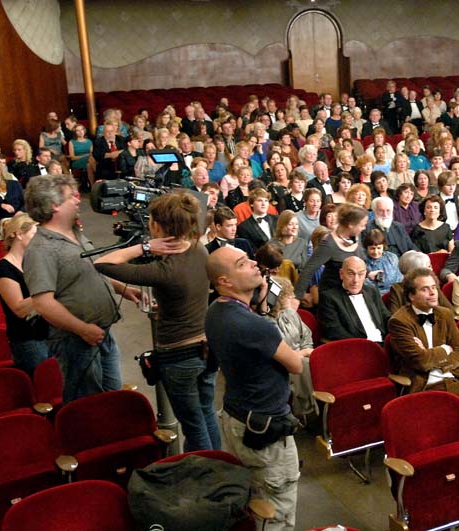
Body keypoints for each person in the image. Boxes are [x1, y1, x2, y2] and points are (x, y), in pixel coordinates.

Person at [94, 191, 218, 451]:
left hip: (178, 354)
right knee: (206, 414)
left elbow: (102, 263)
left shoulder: (164, 270)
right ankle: (219, 464)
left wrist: (145, 247)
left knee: (193, 425)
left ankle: (209, 474)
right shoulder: (200, 250)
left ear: (157, 226)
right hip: (208, 349)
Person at [205, 245, 305, 531]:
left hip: (237, 417)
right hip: (266, 430)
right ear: (225, 281)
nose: (253, 264)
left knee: (255, 497)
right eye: (242, 263)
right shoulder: (254, 326)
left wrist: (258, 308)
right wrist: (269, 315)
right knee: (277, 511)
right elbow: (295, 364)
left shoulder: (215, 310)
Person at [23, 175, 139, 403]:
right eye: (71, 197)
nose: (78, 201)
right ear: (54, 205)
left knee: (111, 397)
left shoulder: (75, 234)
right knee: (89, 405)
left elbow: (89, 270)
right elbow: (43, 303)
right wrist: (83, 329)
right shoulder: (40, 249)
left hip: (101, 333)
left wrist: (120, 288)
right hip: (76, 341)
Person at [387, 267, 459, 399]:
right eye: (425, 289)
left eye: (434, 287)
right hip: (425, 385)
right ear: (411, 296)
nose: (433, 293)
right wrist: (445, 349)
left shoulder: (445, 314)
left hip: (453, 378)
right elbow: (422, 362)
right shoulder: (399, 321)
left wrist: (430, 355)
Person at [0, 214, 48, 376]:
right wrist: (51, 289)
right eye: (34, 235)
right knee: (41, 385)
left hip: (50, 331)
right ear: (18, 234)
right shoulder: (3, 269)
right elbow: (19, 309)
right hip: (27, 338)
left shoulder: (35, 261)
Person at [265, 277, 316, 417]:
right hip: (282, 364)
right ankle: (309, 406)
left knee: (316, 361)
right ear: (278, 298)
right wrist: (303, 353)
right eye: (288, 295)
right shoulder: (265, 323)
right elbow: (277, 353)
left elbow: (306, 336)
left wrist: (306, 350)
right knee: (306, 364)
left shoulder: (291, 313)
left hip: (303, 355)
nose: (293, 297)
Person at [295, 203, 368, 299]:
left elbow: (357, 261)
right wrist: (296, 298)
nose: (364, 228)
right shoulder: (329, 243)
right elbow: (308, 270)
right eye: (362, 225)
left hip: (352, 292)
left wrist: (369, 273)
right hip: (332, 296)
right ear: (351, 225)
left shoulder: (355, 236)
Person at [318, 256, 390, 342]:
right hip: (356, 348)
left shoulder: (372, 291)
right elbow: (335, 331)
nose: (356, 280)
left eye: (360, 274)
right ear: (341, 274)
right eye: (351, 274)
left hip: (384, 343)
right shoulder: (329, 297)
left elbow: (385, 316)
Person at [386, 250, 453, 313]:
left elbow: (450, 311)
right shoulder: (397, 289)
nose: (432, 269)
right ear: (416, 271)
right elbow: (396, 318)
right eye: (428, 266)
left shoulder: (432, 284)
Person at [364, 228, 402, 294]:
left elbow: (399, 279)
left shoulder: (392, 258)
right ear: (367, 248)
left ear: (383, 246)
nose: (376, 252)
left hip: (394, 293)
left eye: (379, 248)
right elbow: (367, 286)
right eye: (372, 248)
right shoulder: (362, 262)